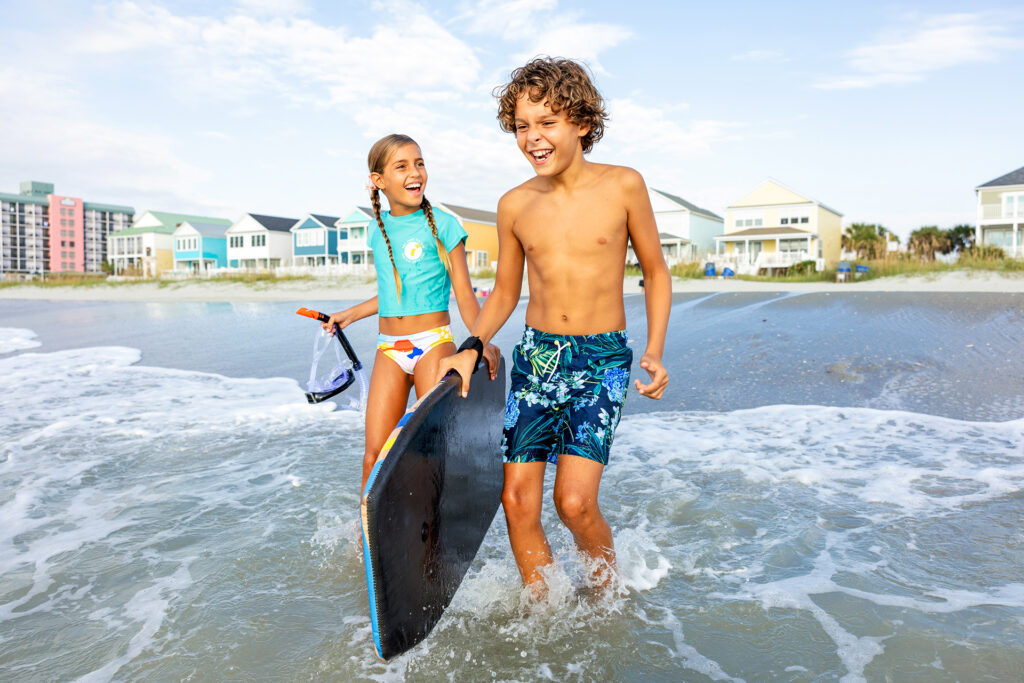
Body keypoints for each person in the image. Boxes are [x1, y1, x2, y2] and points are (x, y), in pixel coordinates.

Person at [437, 57, 671, 597]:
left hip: (601, 360)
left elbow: (656, 273)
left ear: (583, 124)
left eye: (547, 123)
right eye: (522, 126)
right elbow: (506, 292)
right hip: (537, 358)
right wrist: (473, 344)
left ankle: (603, 599)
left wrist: (655, 350)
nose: (533, 137)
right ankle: (543, 615)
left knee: (574, 502)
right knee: (517, 500)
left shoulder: (623, 187)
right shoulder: (514, 204)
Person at [325, 133, 499, 494]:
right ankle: (369, 546)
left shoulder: (445, 226)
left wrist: (481, 342)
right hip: (389, 347)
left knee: (429, 455)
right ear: (379, 181)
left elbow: (465, 295)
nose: (414, 171)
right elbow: (394, 294)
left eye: (419, 163)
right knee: (374, 456)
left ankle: (432, 543)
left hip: (432, 343)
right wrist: (350, 315)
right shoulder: (377, 229)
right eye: (401, 166)